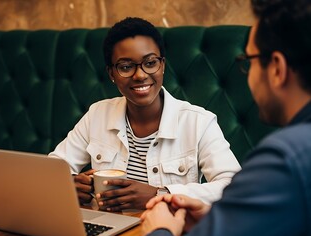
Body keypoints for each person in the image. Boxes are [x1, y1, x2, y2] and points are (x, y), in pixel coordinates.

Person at [141, 0, 311, 236]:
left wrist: (159, 231)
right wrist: (220, 219)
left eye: (248, 61)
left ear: (277, 69)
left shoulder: (287, 161)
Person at [49, 17, 241, 211]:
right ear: (111, 74)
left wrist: (160, 194)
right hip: (107, 228)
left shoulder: (199, 122)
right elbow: (51, 169)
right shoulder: (97, 114)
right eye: (125, 67)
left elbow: (235, 186)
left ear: (162, 65)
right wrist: (67, 185)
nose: (140, 75)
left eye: (150, 63)